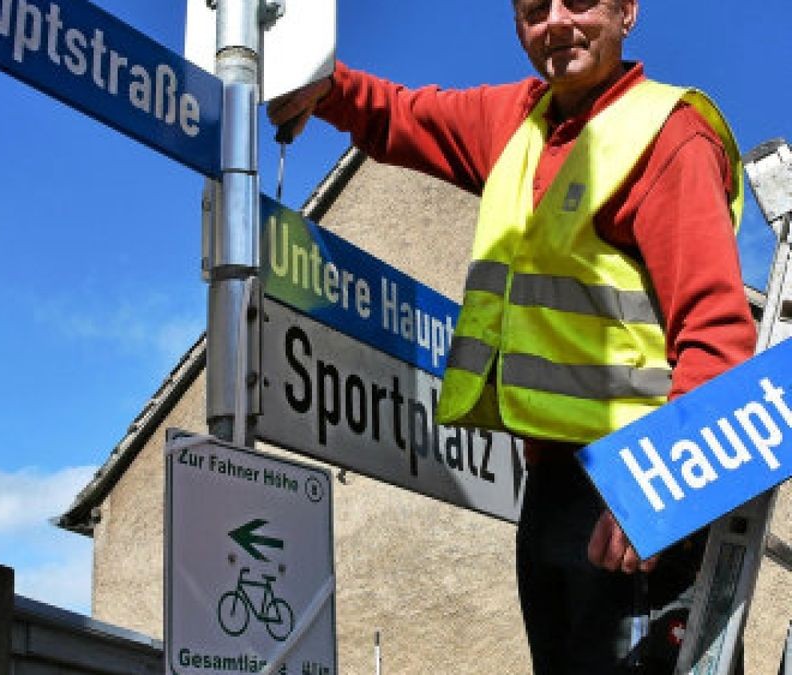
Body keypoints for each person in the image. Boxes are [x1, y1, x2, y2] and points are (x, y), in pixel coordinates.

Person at [267, 0, 757, 672]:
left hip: (632, 492)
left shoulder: (669, 134)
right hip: (553, 495)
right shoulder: (515, 122)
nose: (555, 21)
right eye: (532, 10)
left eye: (578, 2)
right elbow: (401, 115)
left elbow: (717, 331)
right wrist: (321, 85)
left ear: (627, 12)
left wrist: (664, 491)